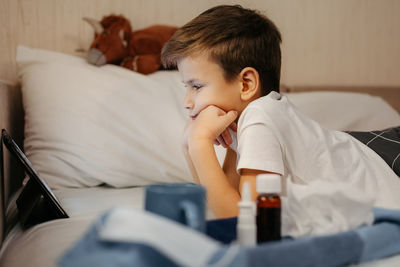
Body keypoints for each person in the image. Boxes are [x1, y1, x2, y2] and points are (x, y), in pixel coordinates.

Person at [161, 5, 400, 219]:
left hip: (384, 161)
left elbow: (243, 221)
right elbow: (222, 198)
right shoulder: (245, 120)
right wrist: (189, 147)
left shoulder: (259, 119)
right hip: (367, 153)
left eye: (197, 87)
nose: (187, 102)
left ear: (246, 84)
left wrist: (200, 145)